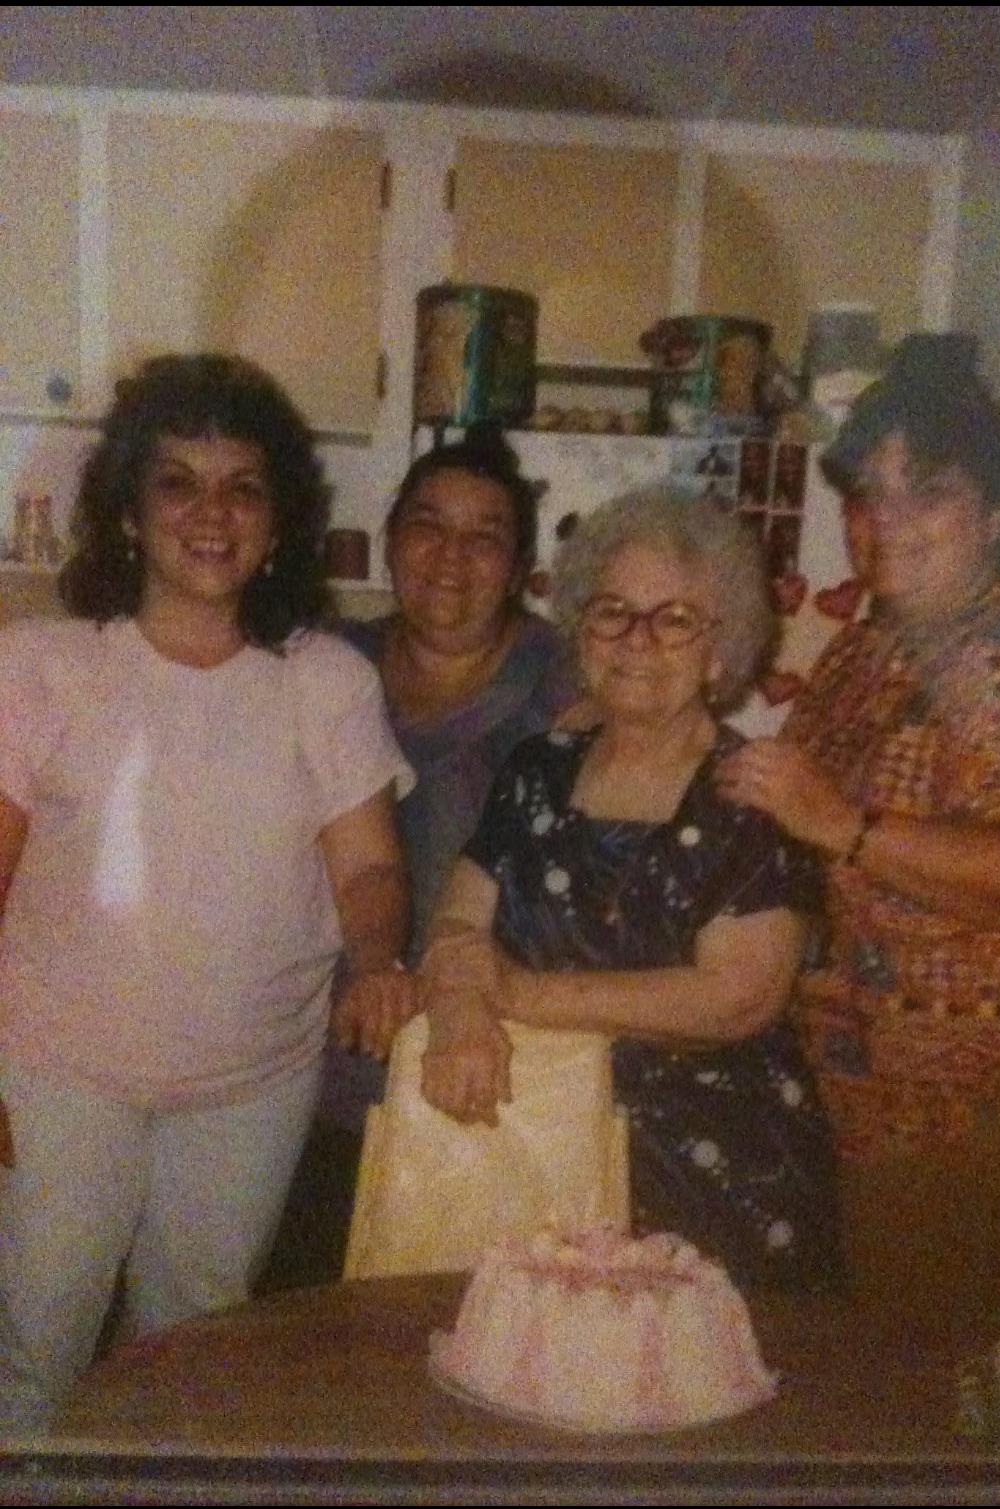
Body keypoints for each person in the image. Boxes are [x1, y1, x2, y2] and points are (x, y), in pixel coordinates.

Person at [0, 353, 412, 1434]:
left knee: (194, 1355)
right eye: (177, 481)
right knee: (38, 1334)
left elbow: (367, 866)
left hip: (250, 1083)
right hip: (58, 1072)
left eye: (244, 486)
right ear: (130, 513)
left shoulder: (326, 681)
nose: (211, 512)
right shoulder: (42, 664)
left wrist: (376, 962)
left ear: (278, 523)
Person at [714, 333, 1000, 1326]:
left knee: (915, 1389)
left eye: (924, 489)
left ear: (996, 511)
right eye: (866, 492)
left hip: (970, 1107)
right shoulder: (874, 644)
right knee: (863, 1378)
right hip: (854, 1088)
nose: (883, 519)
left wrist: (842, 825)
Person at [402, 486, 843, 1293]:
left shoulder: (753, 796)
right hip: (532, 1148)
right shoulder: (539, 767)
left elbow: (736, 999)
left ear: (719, 652)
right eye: (612, 612)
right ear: (581, 631)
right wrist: (462, 1002)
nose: (637, 639)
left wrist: (519, 995)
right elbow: (458, 915)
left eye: (675, 619)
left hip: (710, 1176)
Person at [264, 427, 572, 1289]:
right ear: (392, 539)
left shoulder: (570, 686)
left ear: (518, 568)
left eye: (485, 536)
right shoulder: (323, 664)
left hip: (482, 1065)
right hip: (311, 1067)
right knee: (305, 1328)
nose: (451, 555)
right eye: (429, 525)